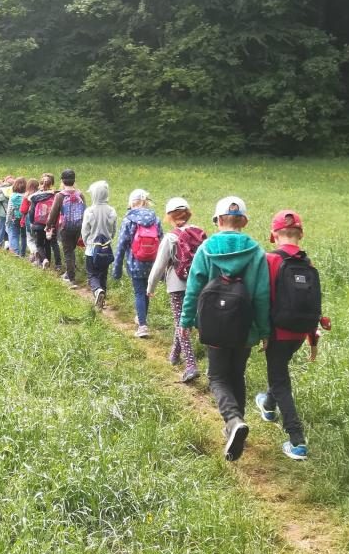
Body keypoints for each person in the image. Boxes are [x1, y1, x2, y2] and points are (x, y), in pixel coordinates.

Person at [180, 196, 270, 462]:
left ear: (218, 221)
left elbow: (194, 288)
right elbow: (263, 295)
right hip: (245, 328)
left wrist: (185, 321)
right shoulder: (255, 251)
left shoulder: (207, 248)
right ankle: (237, 422)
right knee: (237, 375)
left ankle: (233, 421)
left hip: (214, 327)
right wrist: (264, 331)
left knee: (217, 377)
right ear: (244, 221)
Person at [254, 209, 331, 461]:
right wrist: (312, 340)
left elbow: (262, 299)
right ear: (301, 234)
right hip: (299, 333)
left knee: (280, 380)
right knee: (280, 371)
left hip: (277, 332)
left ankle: (297, 441)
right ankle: (267, 405)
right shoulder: (308, 264)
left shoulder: (269, 260)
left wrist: (261, 332)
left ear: (272, 235)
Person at [147, 197, 207, 383]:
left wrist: (150, 287)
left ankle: (190, 366)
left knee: (181, 322)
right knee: (183, 319)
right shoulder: (200, 233)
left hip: (177, 285)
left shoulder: (171, 237)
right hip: (198, 284)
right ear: (188, 214)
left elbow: (159, 265)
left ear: (170, 217)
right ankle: (174, 355)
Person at [113, 189, 162, 338]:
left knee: (139, 292)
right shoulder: (156, 219)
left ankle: (142, 325)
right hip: (152, 262)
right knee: (146, 292)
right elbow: (162, 240)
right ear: (146, 202)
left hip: (135, 262)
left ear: (131, 203)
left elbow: (121, 244)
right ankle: (142, 318)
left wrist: (117, 268)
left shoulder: (129, 220)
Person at [46, 169, 86, 287]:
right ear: (74, 181)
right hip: (78, 227)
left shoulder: (60, 195)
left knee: (68, 252)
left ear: (62, 181)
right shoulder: (80, 194)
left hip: (65, 227)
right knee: (71, 250)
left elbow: (53, 213)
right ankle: (69, 272)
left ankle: (71, 278)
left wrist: (48, 225)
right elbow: (86, 211)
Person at [81, 180, 117, 309]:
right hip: (106, 248)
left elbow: (85, 230)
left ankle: (97, 291)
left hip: (92, 248)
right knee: (103, 274)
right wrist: (109, 239)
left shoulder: (89, 211)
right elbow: (113, 230)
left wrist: (86, 243)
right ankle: (102, 300)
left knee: (92, 274)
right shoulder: (111, 210)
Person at [27, 174, 58, 268]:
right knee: (47, 244)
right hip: (50, 223)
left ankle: (43, 260)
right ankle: (48, 263)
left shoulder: (35, 197)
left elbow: (31, 211)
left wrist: (32, 222)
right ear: (51, 184)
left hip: (38, 223)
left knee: (39, 244)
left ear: (40, 184)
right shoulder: (54, 195)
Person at [6, 177, 27, 256]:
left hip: (15, 218)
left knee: (14, 235)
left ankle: (15, 252)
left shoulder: (13, 196)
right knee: (24, 236)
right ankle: (23, 253)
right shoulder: (27, 196)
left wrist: (7, 221)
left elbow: (10, 209)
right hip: (24, 218)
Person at [19, 178, 39, 259]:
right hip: (39, 220)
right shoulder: (40, 194)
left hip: (29, 219)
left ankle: (34, 251)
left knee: (30, 239)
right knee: (37, 239)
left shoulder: (27, 196)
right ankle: (36, 257)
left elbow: (23, 210)